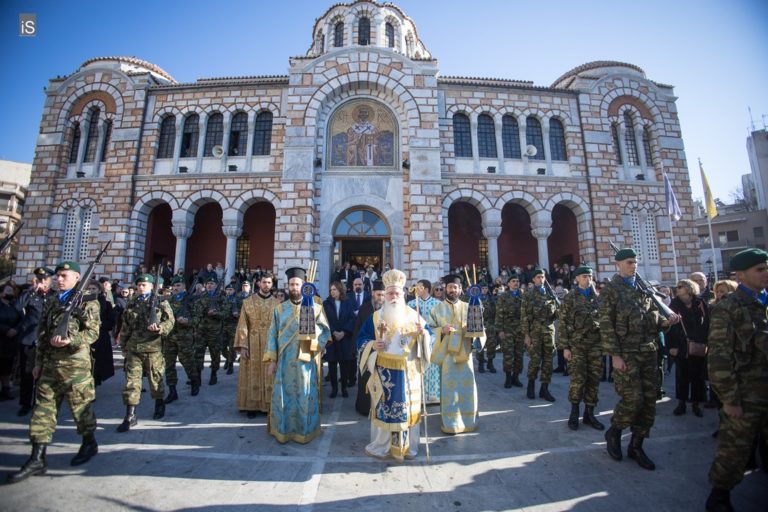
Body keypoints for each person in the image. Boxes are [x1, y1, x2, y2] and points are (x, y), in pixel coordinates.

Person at [7, 261, 101, 483]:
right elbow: (42, 333)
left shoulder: (88, 302)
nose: (59, 279)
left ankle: (89, 443)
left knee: (81, 411)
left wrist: (71, 340)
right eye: (57, 275)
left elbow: (92, 333)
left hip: (75, 367)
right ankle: (37, 458)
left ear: (77, 277)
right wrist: (38, 363)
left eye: (64, 275)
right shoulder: (51, 301)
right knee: (41, 413)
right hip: (49, 366)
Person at [599, 248, 679, 470]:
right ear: (618, 265)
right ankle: (614, 431)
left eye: (635, 261)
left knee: (649, 401)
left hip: (649, 352)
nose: (633, 265)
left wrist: (667, 322)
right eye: (628, 262)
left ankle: (637, 445)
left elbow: (654, 321)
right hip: (626, 354)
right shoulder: (611, 291)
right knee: (633, 399)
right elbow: (606, 327)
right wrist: (614, 355)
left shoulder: (646, 290)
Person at [705, 248, 768, 512]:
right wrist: (729, 399)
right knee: (734, 451)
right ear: (741, 275)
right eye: (760, 270)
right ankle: (719, 496)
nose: (766, 273)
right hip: (746, 393)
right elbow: (719, 359)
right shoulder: (729, 307)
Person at [357, 269, 430, 460]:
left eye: (397, 293)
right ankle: (383, 446)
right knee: (384, 410)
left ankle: (406, 448)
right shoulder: (375, 317)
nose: (393, 297)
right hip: (383, 372)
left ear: (404, 293)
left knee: (407, 411)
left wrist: (424, 334)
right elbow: (361, 338)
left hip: (408, 372)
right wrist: (373, 344)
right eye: (390, 293)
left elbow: (429, 338)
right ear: (385, 295)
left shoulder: (415, 316)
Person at [264, 267, 330, 443]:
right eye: (291, 284)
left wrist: (312, 334)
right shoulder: (279, 309)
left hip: (305, 360)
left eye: (297, 284)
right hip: (284, 361)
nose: (294, 287)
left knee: (305, 394)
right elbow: (272, 334)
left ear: (304, 285)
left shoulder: (315, 308)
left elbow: (325, 332)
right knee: (283, 395)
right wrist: (272, 359)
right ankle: (283, 430)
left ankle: (305, 431)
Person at [116, 274, 174, 432]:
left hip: (152, 348)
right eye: (139, 285)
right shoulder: (132, 302)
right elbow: (126, 325)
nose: (141, 288)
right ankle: (130, 415)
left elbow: (170, 321)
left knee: (155, 380)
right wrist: (124, 346)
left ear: (152, 287)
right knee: (131, 383)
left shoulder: (161, 302)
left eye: (144, 285)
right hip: (134, 348)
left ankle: (159, 403)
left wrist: (161, 328)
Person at [428, 274, 485, 434]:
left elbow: (480, 331)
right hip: (447, 356)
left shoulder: (470, 306)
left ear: (461, 289)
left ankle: (469, 421)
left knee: (468, 388)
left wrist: (473, 332)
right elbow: (429, 331)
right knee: (449, 389)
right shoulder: (437, 308)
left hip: (465, 354)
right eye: (450, 287)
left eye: (456, 287)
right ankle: (451, 423)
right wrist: (441, 331)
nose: (453, 290)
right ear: (445, 289)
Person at [557, 265, 604, 431]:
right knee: (577, 380)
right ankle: (574, 413)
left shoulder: (598, 298)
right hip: (577, 345)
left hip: (596, 345)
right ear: (577, 279)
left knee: (594, 379)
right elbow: (562, 323)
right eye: (584, 276)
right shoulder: (570, 298)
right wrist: (565, 347)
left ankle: (589, 414)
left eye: (590, 276)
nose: (588, 279)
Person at [234, 272, 278, 418]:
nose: (266, 285)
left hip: (271, 343)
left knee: (269, 373)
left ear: (272, 284)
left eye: (269, 283)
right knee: (251, 373)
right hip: (252, 343)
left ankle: (269, 405)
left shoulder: (278, 303)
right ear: (259, 283)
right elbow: (242, 324)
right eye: (264, 282)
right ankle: (251, 406)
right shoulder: (248, 302)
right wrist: (243, 345)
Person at [667, 279, 710, 417]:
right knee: (682, 376)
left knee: (698, 376)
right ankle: (681, 404)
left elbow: (708, 323)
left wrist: (705, 342)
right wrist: (671, 346)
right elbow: (669, 327)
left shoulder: (700, 303)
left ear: (689, 288)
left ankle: (696, 404)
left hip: (698, 344)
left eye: (680, 286)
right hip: (681, 345)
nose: (677, 288)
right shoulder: (674, 304)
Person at [16, 267, 55, 416]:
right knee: (27, 374)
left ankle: (40, 403)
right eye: (39, 279)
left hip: (46, 340)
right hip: (29, 339)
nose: (42, 282)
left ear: (50, 281)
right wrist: (32, 290)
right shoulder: (30, 295)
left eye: (44, 279)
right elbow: (17, 306)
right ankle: (25, 404)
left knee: (44, 374)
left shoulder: (54, 296)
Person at [521, 268, 558, 402]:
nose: (541, 279)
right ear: (533, 279)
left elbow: (555, 315)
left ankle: (544, 389)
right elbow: (524, 316)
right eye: (538, 277)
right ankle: (531, 386)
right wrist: (526, 335)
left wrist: (561, 309)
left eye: (542, 277)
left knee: (548, 362)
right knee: (535, 361)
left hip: (548, 331)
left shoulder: (550, 294)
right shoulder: (528, 294)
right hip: (535, 332)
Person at [163, 276, 199, 401]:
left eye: (178, 285)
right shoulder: (168, 301)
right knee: (169, 364)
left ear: (184, 286)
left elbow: (197, 318)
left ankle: (194, 381)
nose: (175, 288)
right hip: (169, 336)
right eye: (174, 286)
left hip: (184, 337)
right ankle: (172, 390)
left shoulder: (191, 300)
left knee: (187, 362)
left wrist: (187, 321)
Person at [354, 280, 385, 415]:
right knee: (366, 380)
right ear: (373, 293)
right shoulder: (365, 308)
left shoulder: (389, 311)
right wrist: (369, 344)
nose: (381, 298)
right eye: (378, 294)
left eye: (383, 295)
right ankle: (365, 408)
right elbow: (358, 331)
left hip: (385, 353)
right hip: (369, 352)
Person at [407, 279, 441, 404]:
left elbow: (440, 323)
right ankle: (418, 396)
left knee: (432, 366)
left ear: (426, 289)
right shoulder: (410, 304)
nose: (416, 289)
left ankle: (433, 396)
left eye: (419, 287)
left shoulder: (437, 304)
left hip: (433, 340)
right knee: (417, 366)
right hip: (415, 340)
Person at [323, 281, 356, 398]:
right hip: (332, 339)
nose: (332, 292)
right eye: (331, 290)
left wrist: (344, 332)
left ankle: (344, 388)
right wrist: (333, 332)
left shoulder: (347, 302)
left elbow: (352, 319)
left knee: (344, 364)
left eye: (334, 290)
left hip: (344, 338)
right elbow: (324, 320)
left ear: (340, 290)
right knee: (332, 364)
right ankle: (334, 388)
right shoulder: (326, 304)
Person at [495, 273, 525, 388]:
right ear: (508, 284)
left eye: (517, 281)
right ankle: (508, 377)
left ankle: (515, 377)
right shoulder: (503, 296)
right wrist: (500, 330)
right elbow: (499, 314)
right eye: (513, 281)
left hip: (520, 330)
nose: (516, 283)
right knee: (508, 354)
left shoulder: (523, 296)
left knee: (519, 354)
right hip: (507, 329)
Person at [194, 277, 225, 385]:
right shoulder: (201, 297)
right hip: (201, 331)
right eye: (208, 283)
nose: (209, 285)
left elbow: (225, 314)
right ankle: (198, 376)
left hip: (215, 332)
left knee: (215, 354)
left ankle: (214, 373)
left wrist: (216, 314)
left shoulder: (221, 298)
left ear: (216, 285)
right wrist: (206, 312)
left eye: (212, 283)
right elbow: (196, 313)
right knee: (198, 354)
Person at [86, 280, 115, 386]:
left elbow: (111, 322)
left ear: (99, 290)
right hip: (85, 337)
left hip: (100, 337)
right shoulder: (83, 302)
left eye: (93, 289)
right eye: (89, 289)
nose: (91, 291)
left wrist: (98, 323)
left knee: (97, 363)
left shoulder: (106, 304)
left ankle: (94, 384)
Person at [0, 282, 21, 401]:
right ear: (1, 293)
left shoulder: (14, 305)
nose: (10, 293)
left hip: (10, 341)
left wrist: (16, 330)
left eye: (11, 291)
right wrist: (6, 329)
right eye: (7, 291)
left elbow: (21, 320)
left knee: (7, 366)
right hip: (1, 338)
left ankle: (6, 389)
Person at [476, 283, 498, 374]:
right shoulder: (476, 299)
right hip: (479, 325)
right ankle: (481, 363)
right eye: (483, 288)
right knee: (480, 345)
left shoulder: (491, 298)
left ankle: (490, 363)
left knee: (491, 345)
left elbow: (496, 311)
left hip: (490, 325)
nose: (484, 290)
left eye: (486, 288)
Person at [222, 284, 240, 375]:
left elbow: (242, 312)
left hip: (233, 326)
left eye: (231, 289)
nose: (229, 291)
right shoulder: (222, 300)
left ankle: (230, 364)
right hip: (222, 326)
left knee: (232, 346)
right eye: (227, 289)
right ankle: (228, 358)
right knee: (222, 346)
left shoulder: (238, 300)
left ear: (234, 290)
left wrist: (238, 314)